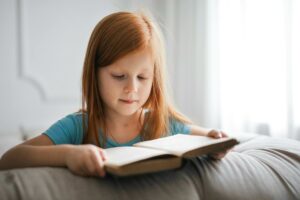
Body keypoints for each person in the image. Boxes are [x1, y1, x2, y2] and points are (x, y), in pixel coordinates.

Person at [0, 11, 230, 177]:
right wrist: (68, 154)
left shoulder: (159, 122)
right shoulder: (77, 126)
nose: (132, 88)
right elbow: (9, 159)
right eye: (119, 76)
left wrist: (214, 139)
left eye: (142, 77)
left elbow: (204, 136)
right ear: (95, 73)